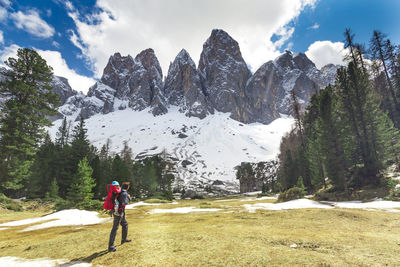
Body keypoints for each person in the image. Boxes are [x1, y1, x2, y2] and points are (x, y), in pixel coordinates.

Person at [108, 181, 131, 252]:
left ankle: (124, 239)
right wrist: (129, 197)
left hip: (118, 211)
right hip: (119, 212)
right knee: (115, 228)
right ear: (127, 187)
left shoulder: (118, 192)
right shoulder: (124, 193)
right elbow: (125, 202)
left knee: (125, 224)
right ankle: (111, 247)